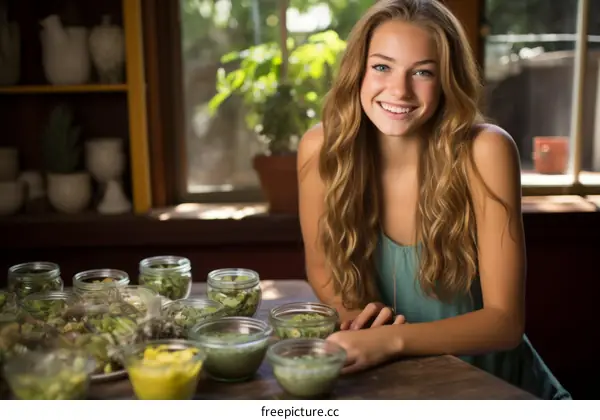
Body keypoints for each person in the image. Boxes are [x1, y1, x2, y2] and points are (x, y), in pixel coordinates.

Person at [297, 0, 571, 400]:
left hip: (496, 390)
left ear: (447, 80)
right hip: (394, 384)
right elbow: (322, 271)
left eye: (422, 72)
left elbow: (505, 323)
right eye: (382, 66)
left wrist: (391, 341)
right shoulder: (321, 148)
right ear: (358, 70)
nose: (399, 90)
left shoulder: (486, 150)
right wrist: (360, 325)